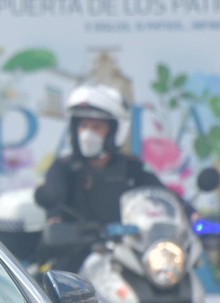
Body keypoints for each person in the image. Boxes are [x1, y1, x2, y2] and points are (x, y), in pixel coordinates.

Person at [35, 83, 170, 270]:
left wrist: (193, 217)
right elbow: (53, 203)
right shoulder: (64, 167)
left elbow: (163, 196)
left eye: (97, 127)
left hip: (128, 257)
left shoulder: (131, 167)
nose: (87, 134)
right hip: (75, 261)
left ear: (115, 130)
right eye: (83, 126)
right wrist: (58, 224)